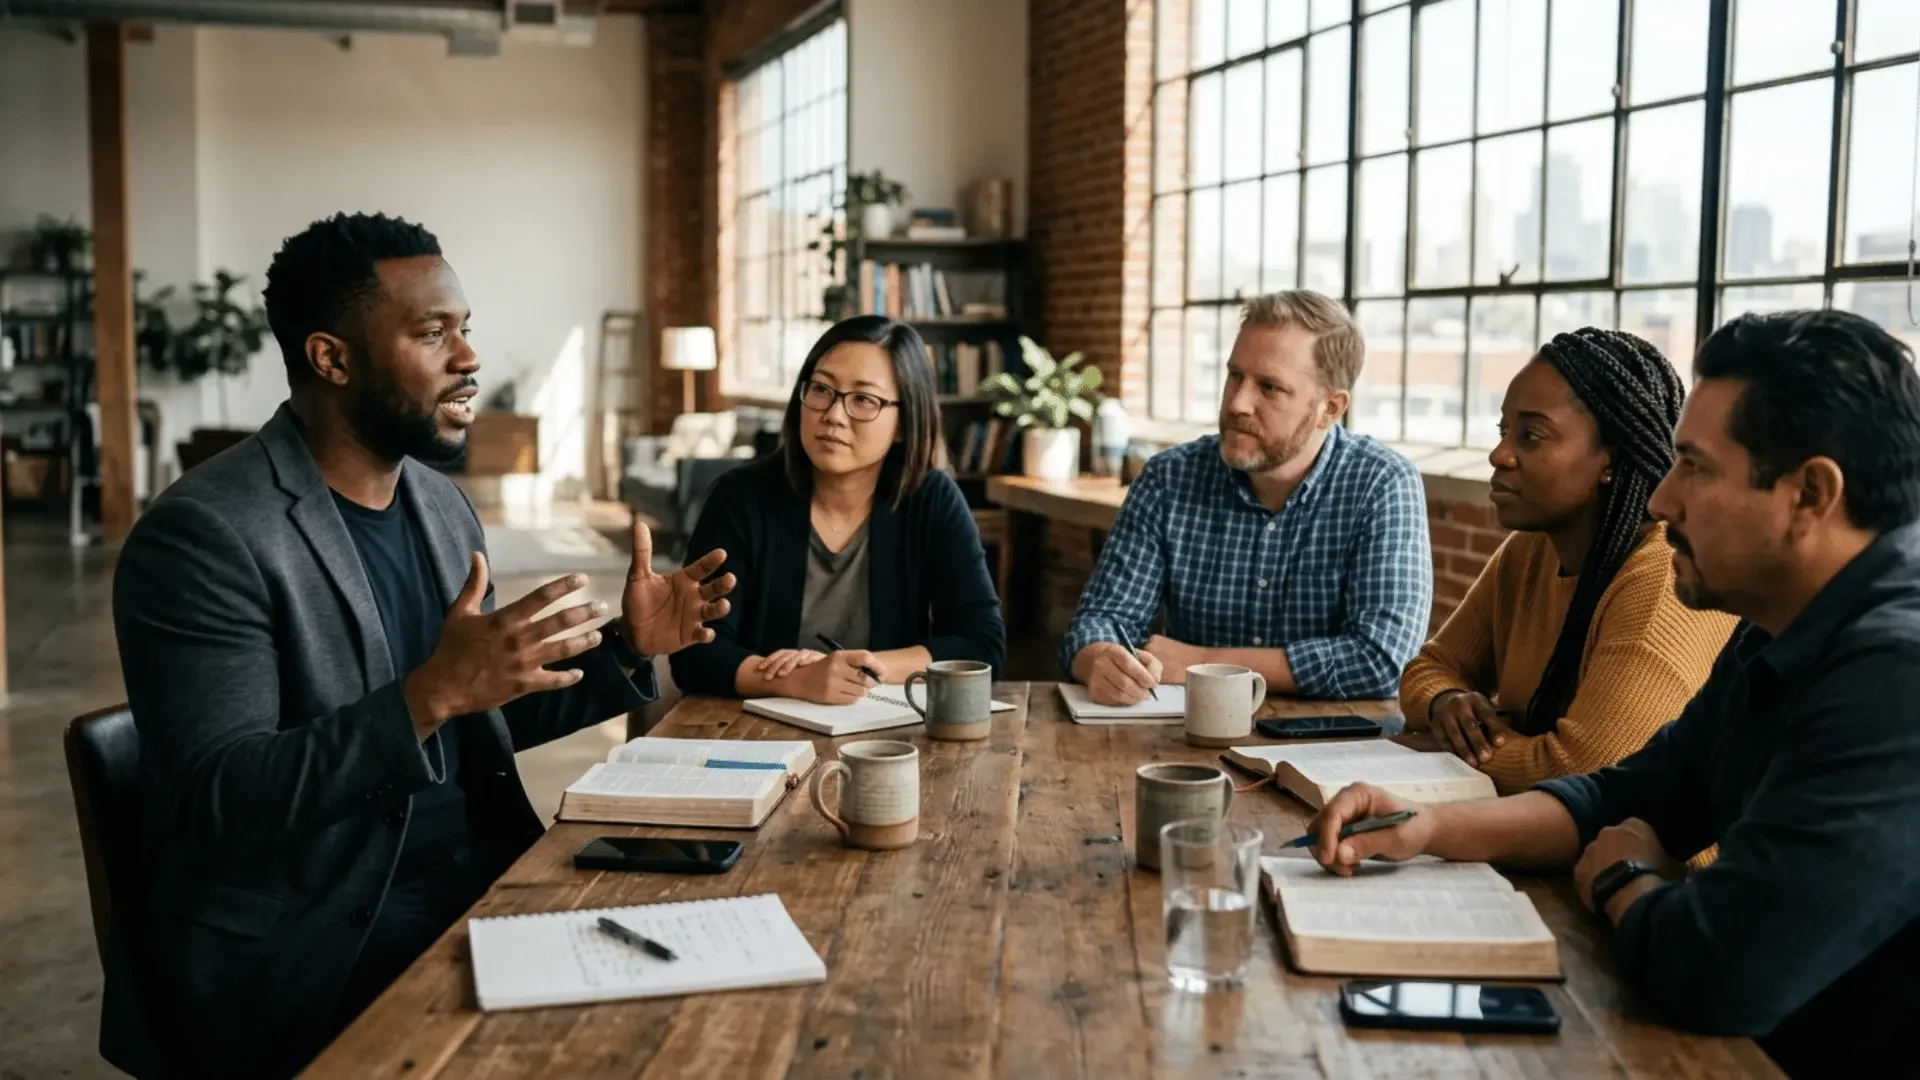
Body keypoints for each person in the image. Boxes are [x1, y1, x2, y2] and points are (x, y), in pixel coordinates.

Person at [106, 213, 734, 1080]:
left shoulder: (438, 507)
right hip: (319, 947)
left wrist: (630, 647)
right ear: (332, 358)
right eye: (432, 332)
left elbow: (477, 715)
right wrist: (428, 696)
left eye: (465, 328)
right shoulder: (206, 537)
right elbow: (217, 805)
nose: (468, 356)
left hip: (476, 891)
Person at [1307, 309, 1920, 1078]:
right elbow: (1626, 792)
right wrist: (1428, 827)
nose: (1662, 501)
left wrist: (1623, 877)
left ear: (1810, 495)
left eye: (1694, 467)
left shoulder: (1895, 676)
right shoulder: (1776, 623)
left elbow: (1716, 967)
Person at [1401, 328, 1736, 793]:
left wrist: (1458, 750)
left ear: (1611, 460)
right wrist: (1446, 702)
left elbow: (1582, 773)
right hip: (1533, 839)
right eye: (1504, 432)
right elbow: (1430, 666)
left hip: (1641, 861)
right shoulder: (1531, 549)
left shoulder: (1664, 580)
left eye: (1532, 436)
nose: (1499, 454)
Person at [1060, 290, 1430, 705]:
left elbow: (1382, 660)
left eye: (1269, 387)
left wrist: (1202, 663)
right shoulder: (1168, 478)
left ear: (1330, 408)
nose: (1238, 403)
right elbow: (1099, 621)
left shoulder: (1383, 485)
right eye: (1235, 376)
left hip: (1329, 752)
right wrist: (1098, 661)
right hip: (1184, 743)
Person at [668, 315, 1004, 702]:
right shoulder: (740, 498)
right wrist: (793, 680)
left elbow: (981, 645)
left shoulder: (930, 498)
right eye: (822, 390)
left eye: (863, 399)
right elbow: (696, 651)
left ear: (903, 424)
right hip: (755, 729)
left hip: (887, 729)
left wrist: (864, 669)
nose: (833, 415)